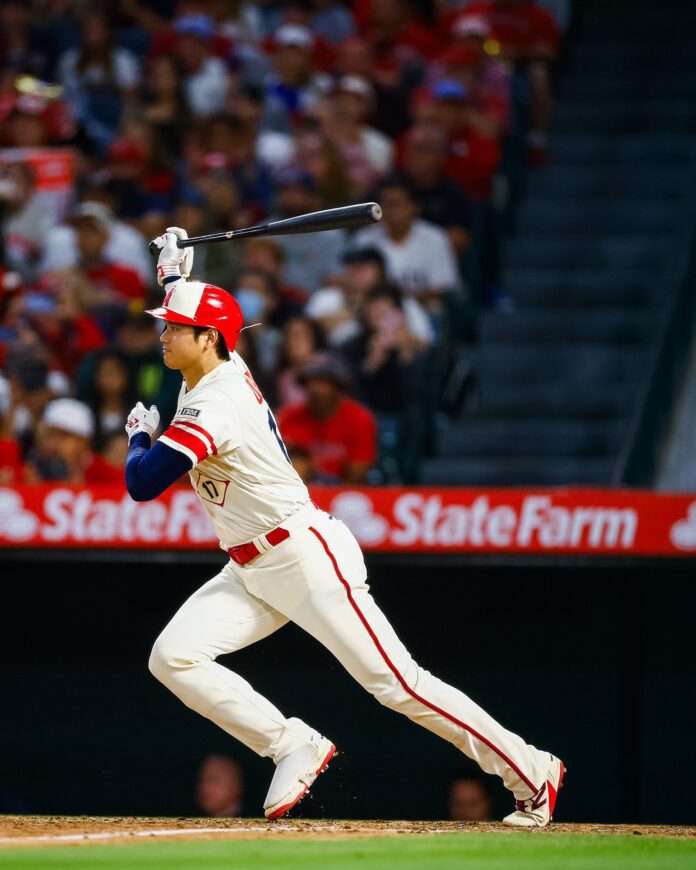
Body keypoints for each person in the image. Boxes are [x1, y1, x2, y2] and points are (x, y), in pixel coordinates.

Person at [124, 226, 565, 826]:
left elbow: (143, 483)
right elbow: (196, 346)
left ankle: (531, 770)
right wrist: (175, 277)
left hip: (304, 557)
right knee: (173, 656)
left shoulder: (214, 401)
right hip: (251, 566)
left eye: (173, 326)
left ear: (208, 338)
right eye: (165, 322)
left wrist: (139, 439)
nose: (163, 333)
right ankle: (290, 744)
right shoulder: (209, 372)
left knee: (400, 685)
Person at [277, 352, 377, 484]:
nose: (315, 389)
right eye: (310, 383)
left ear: (338, 386)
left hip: (345, 493)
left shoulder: (360, 418)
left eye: (322, 382)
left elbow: (357, 474)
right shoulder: (290, 417)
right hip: (301, 492)